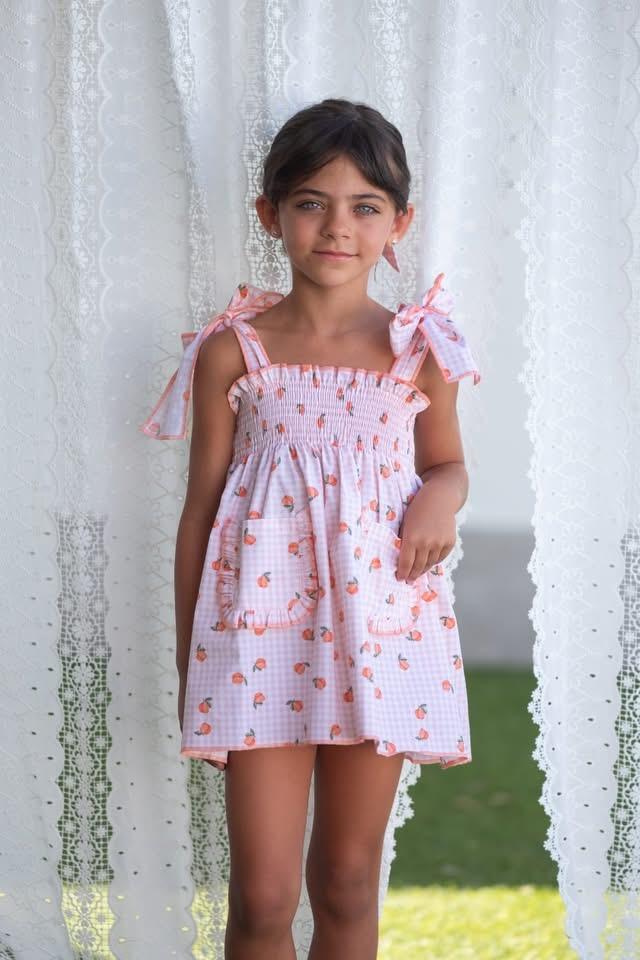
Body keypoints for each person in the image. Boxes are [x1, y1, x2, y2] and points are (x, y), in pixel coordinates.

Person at [140, 97, 481, 960]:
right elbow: (201, 511)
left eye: (365, 206)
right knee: (261, 897)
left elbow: (448, 463)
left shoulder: (420, 350)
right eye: (310, 203)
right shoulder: (234, 351)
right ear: (271, 214)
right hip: (256, 643)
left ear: (399, 223)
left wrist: (440, 496)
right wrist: (193, 659)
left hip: (380, 635)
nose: (337, 227)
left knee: (346, 880)